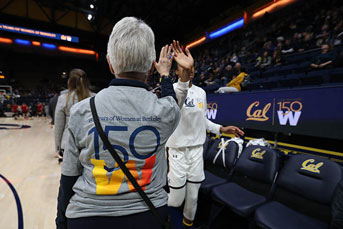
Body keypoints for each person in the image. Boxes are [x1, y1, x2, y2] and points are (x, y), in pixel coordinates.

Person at [56, 17, 192, 229]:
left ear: (110, 64)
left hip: (88, 217)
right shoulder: (166, 112)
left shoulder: (80, 111)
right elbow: (171, 100)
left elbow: (68, 178)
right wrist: (165, 75)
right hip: (149, 215)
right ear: (150, 68)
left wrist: (61, 221)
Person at [166, 41, 244, 228]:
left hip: (196, 151)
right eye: (184, 68)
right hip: (177, 151)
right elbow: (172, 111)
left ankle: (187, 225)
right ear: (177, 71)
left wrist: (222, 129)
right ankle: (165, 217)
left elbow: (203, 121)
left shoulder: (201, 92)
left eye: (192, 67)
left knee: (193, 198)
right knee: (176, 200)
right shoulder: (174, 90)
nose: (189, 70)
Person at [54, 69, 93, 161]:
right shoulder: (95, 98)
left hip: (68, 143)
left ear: (69, 82)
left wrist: (57, 147)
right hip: (90, 142)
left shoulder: (63, 99)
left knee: (69, 174)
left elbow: (59, 127)